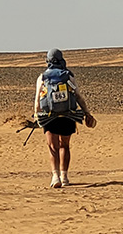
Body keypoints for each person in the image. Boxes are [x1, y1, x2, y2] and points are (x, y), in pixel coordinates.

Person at [34, 48, 96, 188]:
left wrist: (37, 115)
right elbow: (78, 96)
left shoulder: (43, 77)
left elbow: (37, 100)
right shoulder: (68, 76)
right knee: (65, 146)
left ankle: (55, 176)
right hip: (68, 115)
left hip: (49, 117)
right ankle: (64, 176)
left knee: (53, 147)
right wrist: (86, 112)